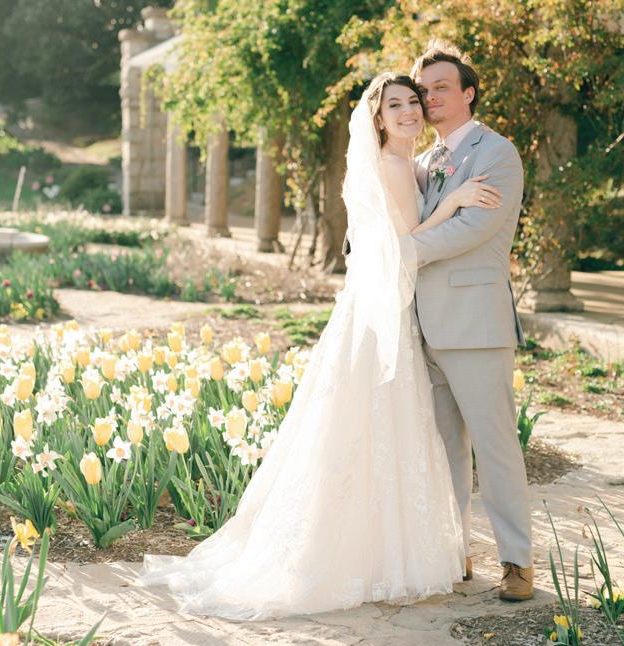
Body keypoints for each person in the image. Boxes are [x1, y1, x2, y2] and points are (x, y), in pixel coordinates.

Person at [136, 72, 502, 620]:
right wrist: (454, 204)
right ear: (378, 118)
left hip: (374, 310)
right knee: (375, 425)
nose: (409, 111)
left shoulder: (402, 163)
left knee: (362, 427)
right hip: (382, 316)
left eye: (413, 101)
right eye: (396, 105)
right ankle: (367, 557)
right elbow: (405, 245)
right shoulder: (394, 165)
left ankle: (366, 550)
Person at [411, 41, 534, 602]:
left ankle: (517, 562)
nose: (430, 97)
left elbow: (471, 230)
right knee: (444, 451)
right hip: (422, 326)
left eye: (441, 87)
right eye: (424, 89)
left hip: (476, 323)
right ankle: (453, 551)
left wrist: (399, 252)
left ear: (468, 93)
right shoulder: (421, 162)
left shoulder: (497, 153)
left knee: (495, 445)